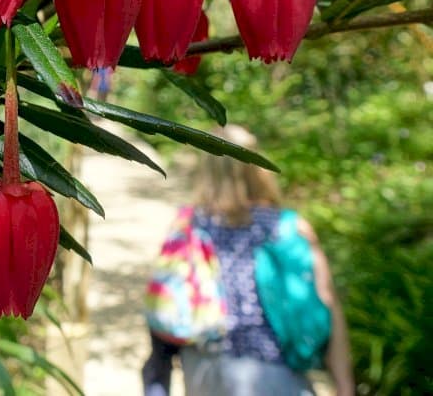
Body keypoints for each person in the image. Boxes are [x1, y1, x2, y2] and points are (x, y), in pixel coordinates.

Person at [142, 128, 354, 396]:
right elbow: (327, 302)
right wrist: (344, 386)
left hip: (204, 369)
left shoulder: (189, 224)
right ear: (256, 167)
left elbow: (164, 297)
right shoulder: (286, 227)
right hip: (274, 370)